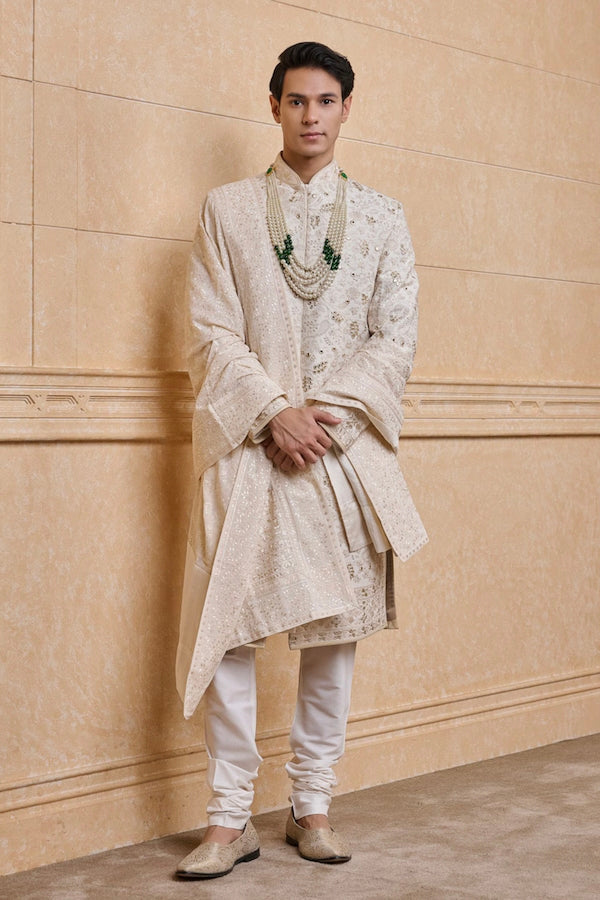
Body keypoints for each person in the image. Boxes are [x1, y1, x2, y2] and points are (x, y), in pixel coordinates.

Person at [175, 41, 428, 879]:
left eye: (325, 101)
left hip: (338, 451)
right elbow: (209, 329)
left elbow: (395, 339)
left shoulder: (383, 218)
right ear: (275, 107)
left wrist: (324, 420)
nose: (310, 116)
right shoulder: (227, 210)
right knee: (229, 630)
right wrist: (272, 413)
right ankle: (227, 819)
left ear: (346, 108)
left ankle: (312, 806)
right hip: (250, 443)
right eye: (295, 100)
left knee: (334, 636)